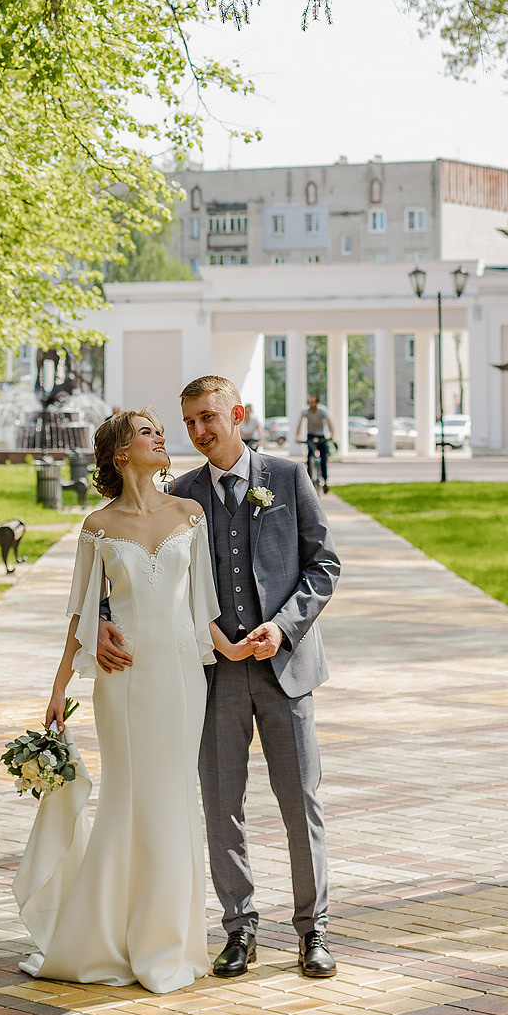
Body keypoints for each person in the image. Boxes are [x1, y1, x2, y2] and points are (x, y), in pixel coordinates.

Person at [100, 375, 341, 982]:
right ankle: (240, 927)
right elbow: (128, 565)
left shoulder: (287, 478)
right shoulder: (179, 496)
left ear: (238, 414)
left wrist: (283, 628)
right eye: (190, 424)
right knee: (220, 805)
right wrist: (103, 620)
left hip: (285, 668)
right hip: (210, 677)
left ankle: (313, 929)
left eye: (209, 418)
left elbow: (325, 564)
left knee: (300, 801)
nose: (200, 432)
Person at [14, 409, 251, 993]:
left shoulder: (189, 515)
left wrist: (241, 651)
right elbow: (80, 610)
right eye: (148, 432)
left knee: (172, 799)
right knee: (127, 798)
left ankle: (168, 940)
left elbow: (204, 610)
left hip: (180, 681)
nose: (161, 437)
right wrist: (58, 688)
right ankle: (103, 937)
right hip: (121, 683)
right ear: (121, 453)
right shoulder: (97, 526)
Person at [296, 394, 333, 491]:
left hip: (321, 435)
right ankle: (308, 479)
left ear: (317, 403)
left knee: (323, 458)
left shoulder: (323, 410)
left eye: (313, 402)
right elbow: (299, 423)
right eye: (310, 402)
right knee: (309, 456)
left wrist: (331, 435)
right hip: (311, 434)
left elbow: (329, 423)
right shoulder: (305, 411)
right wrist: (297, 436)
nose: (311, 404)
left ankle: (325, 481)